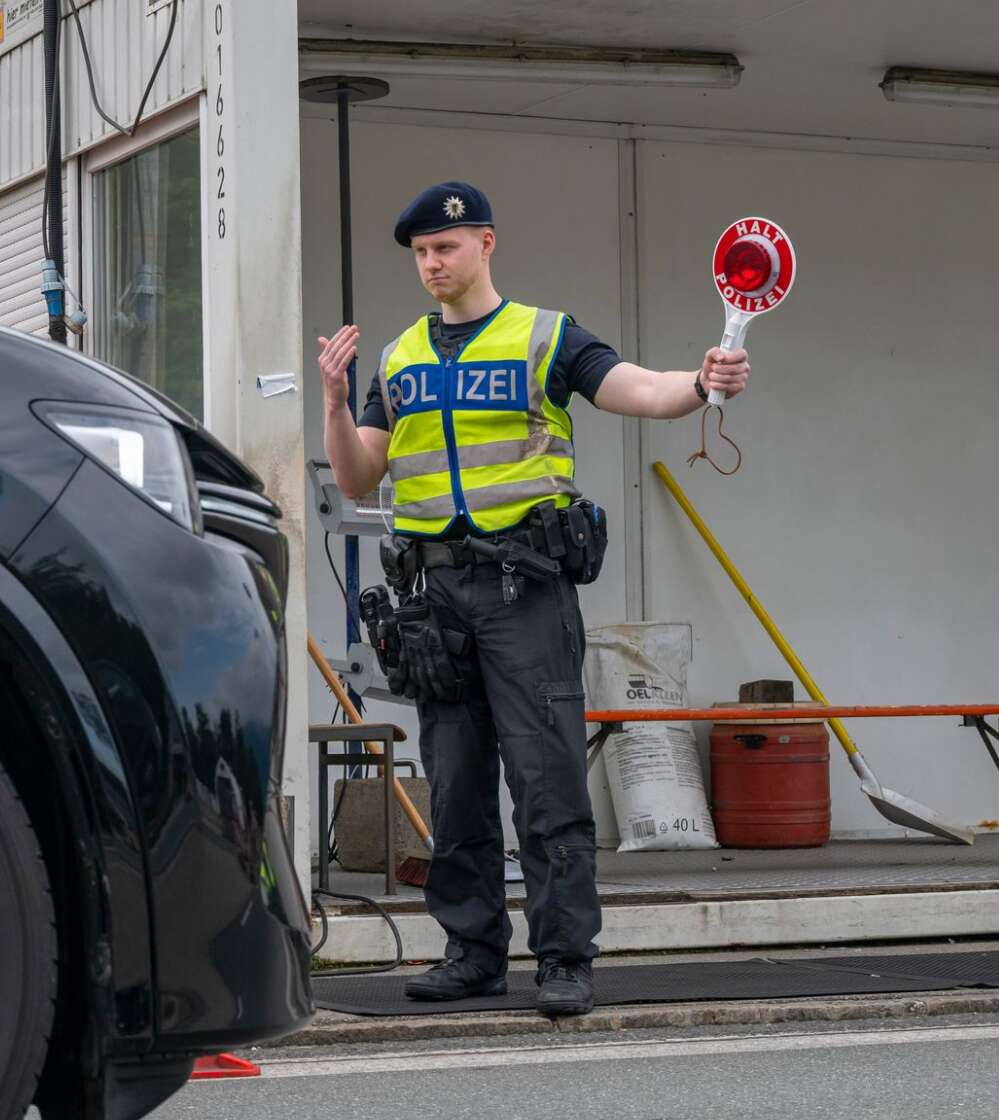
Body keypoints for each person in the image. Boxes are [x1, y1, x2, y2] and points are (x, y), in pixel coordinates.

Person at [317, 181, 750, 1017]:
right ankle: (472, 953)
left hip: (524, 590)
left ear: (486, 244)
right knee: (455, 782)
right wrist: (336, 406)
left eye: (445, 247)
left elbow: (638, 390)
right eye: (419, 254)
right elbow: (356, 474)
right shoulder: (403, 357)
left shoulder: (545, 336)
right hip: (436, 599)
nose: (431, 264)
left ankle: (562, 959)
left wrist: (701, 380)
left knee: (546, 781)